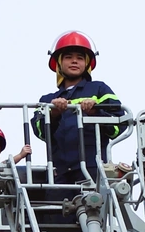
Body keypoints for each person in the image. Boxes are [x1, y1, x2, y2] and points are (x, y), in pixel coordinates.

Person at [32, 30, 125, 186]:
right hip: (58, 172)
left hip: (92, 169)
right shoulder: (47, 100)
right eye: (68, 57)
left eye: (80, 58)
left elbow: (118, 125)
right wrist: (54, 113)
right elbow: (40, 132)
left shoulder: (99, 89)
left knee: (95, 202)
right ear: (59, 63)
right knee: (56, 203)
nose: (74, 61)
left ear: (87, 64)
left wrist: (95, 112)